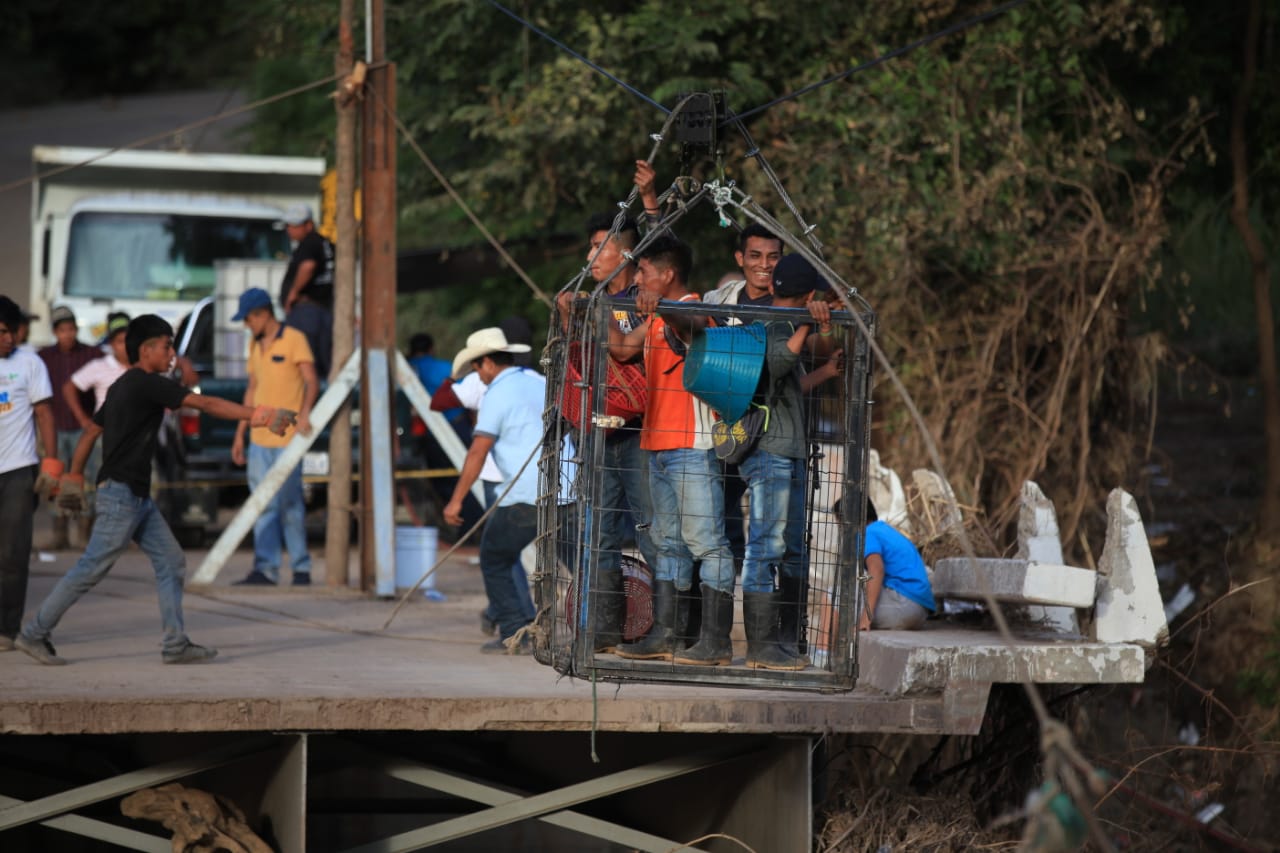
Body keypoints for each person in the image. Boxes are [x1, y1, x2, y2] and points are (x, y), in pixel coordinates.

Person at [14, 315, 298, 665]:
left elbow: (90, 433)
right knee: (90, 568)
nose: (172, 354)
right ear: (146, 350)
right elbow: (205, 403)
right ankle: (34, 633)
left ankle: (175, 643)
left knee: (170, 560)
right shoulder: (148, 383)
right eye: (166, 346)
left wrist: (75, 473)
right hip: (121, 497)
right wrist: (262, 416)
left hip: (134, 497)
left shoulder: (121, 385)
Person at [608, 236, 737, 666]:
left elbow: (696, 322)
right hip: (657, 444)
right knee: (668, 543)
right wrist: (598, 307)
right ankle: (668, 635)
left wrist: (656, 306)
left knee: (706, 542)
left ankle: (716, 641)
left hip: (691, 445)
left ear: (667, 275)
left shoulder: (689, 308)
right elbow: (623, 349)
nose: (638, 279)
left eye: (644, 272)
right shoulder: (659, 316)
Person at [555, 213, 658, 652]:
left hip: (637, 432)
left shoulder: (645, 299)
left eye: (601, 248)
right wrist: (568, 318)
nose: (591, 257)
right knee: (596, 531)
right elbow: (576, 360)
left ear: (627, 254)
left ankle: (666, 629)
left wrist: (601, 312)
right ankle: (599, 629)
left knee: (652, 528)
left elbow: (627, 355)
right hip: (597, 431)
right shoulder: (593, 298)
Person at [734, 254, 833, 670]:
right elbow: (777, 363)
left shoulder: (785, 321)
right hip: (770, 451)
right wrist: (809, 323)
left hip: (789, 450)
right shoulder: (767, 323)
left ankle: (788, 640)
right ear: (809, 295)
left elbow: (791, 382)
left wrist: (827, 368)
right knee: (766, 546)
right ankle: (761, 646)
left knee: (792, 549)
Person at [442, 327, 544, 654]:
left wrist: (456, 500)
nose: (477, 375)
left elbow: (478, 451)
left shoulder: (496, 394)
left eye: (476, 367)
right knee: (574, 561)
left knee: (494, 558)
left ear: (487, 363)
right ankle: (590, 631)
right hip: (564, 489)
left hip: (526, 494)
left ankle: (514, 631)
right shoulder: (540, 382)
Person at [229, 288, 318, 587]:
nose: (246, 325)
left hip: (287, 439)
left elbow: (311, 380)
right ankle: (265, 568)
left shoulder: (294, 339)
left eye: (248, 319)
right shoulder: (254, 346)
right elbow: (252, 389)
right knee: (261, 504)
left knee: (290, 504)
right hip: (258, 441)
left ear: (263, 314)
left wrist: (305, 413)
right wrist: (240, 433)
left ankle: (301, 568)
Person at [0, 297, 59, 653]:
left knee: (12, 554)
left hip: (18, 471)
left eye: (11, 332)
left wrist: (53, 464)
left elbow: (45, 415)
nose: (9, 339)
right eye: (2, 332)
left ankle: (6, 629)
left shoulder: (30, 363)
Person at [37, 305, 100, 550]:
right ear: (55, 332)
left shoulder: (91, 354)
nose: (68, 334)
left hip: (84, 430)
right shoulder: (44, 357)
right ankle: (59, 533)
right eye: (63, 330)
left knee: (85, 480)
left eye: (71, 329)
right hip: (55, 429)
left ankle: (84, 533)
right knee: (55, 481)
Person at [860, 498, 936, 630]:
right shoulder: (883, 530)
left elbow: (876, 570)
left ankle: (822, 649)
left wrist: (866, 616)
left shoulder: (868, 533)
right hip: (919, 610)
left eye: (840, 523)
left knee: (836, 598)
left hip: (905, 605)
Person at [279, 203, 334, 379]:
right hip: (323, 310)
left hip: (307, 311)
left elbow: (308, 266)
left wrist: (293, 293)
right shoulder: (326, 244)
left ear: (309, 225)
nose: (290, 230)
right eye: (288, 226)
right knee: (322, 361)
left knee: (304, 363)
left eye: (295, 226)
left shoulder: (309, 244)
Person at [409, 332, 469, 442]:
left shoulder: (405, 369)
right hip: (455, 425)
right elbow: (466, 394)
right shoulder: (445, 367)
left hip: (423, 431)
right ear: (431, 349)